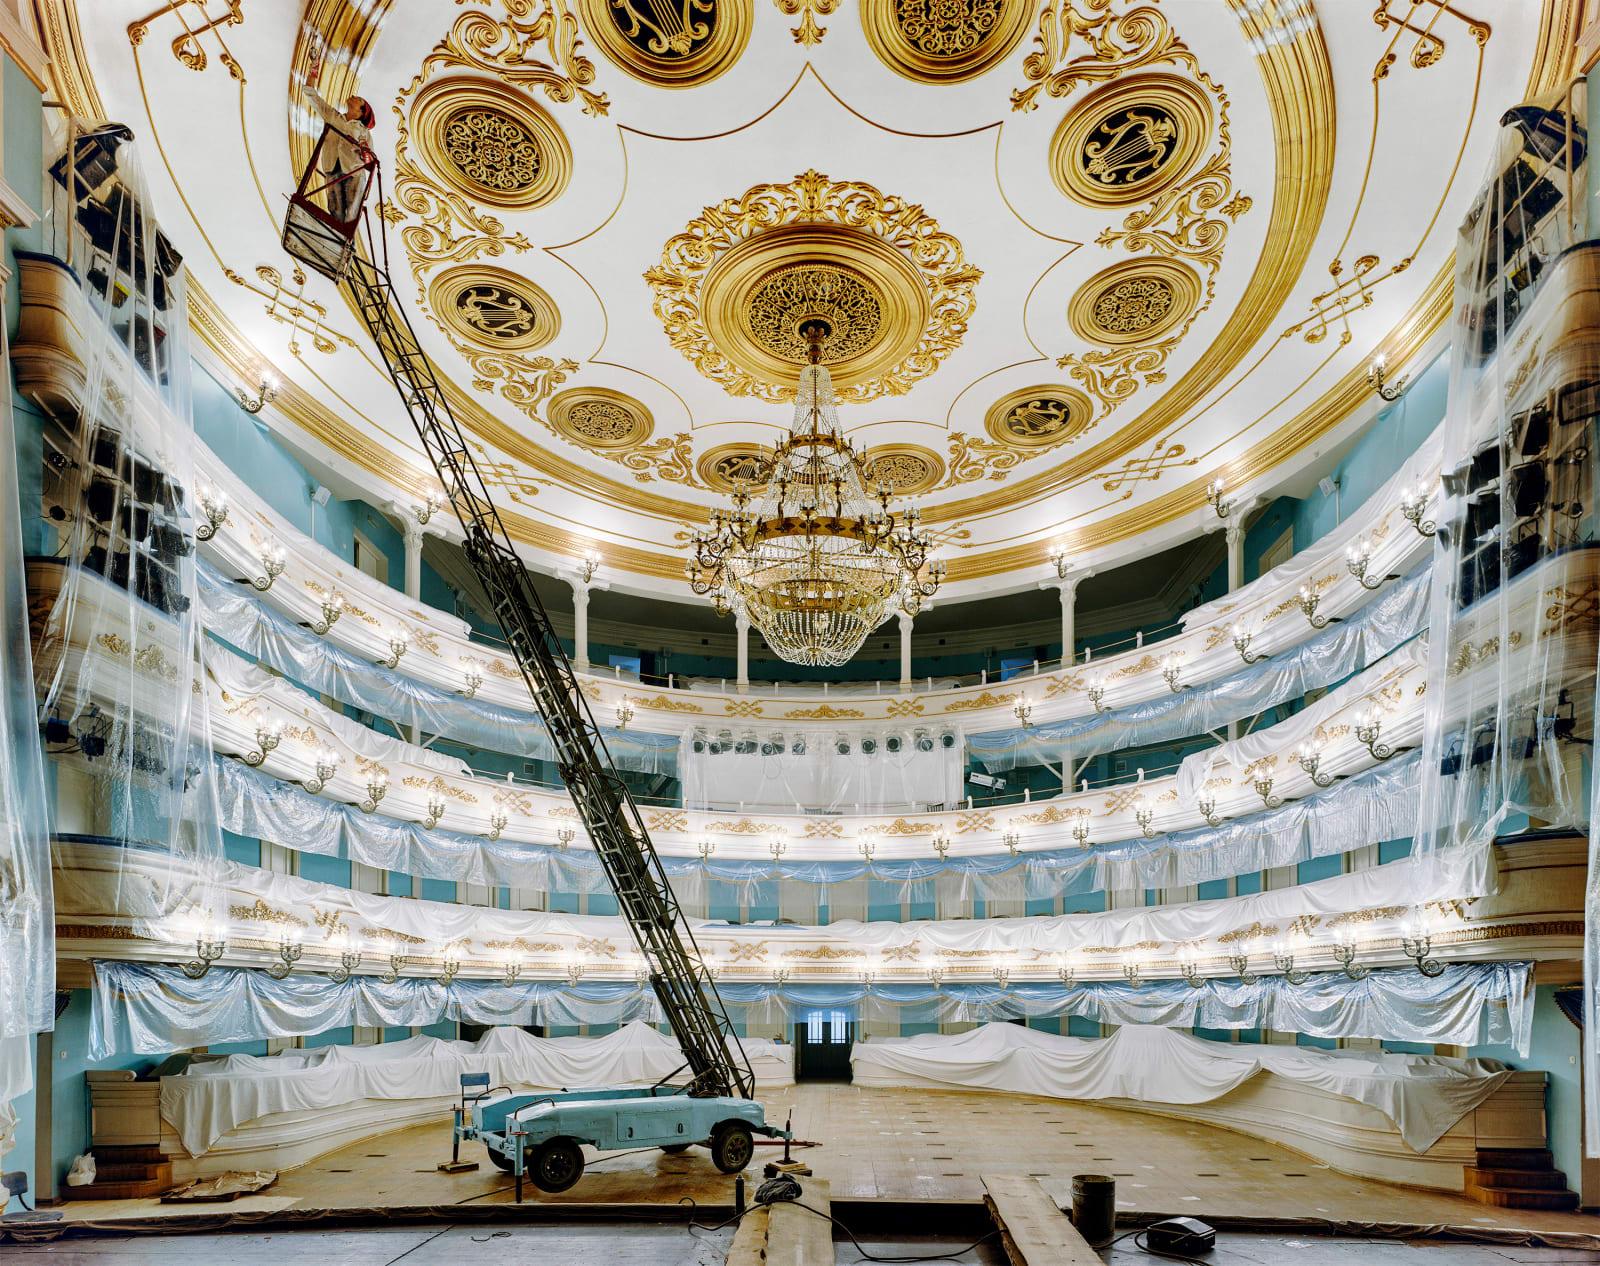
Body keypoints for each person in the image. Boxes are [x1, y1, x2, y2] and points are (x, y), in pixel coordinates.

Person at [304, 51, 375, 226]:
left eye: (359, 100)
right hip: (332, 166)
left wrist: (364, 151)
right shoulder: (334, 117)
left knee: (351, 213)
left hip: (353, 171)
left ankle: (347, 243)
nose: (354, 96)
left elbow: (371, 158)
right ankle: (335, 238)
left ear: (360, 112)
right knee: (334, 210)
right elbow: (310, 94)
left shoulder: (364, 131)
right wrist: (314, 64)